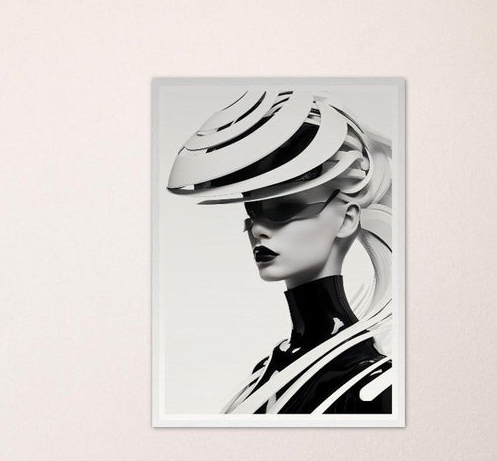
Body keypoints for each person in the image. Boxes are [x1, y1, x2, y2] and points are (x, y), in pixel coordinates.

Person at [166, 87, 395, 415]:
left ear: (346, 219)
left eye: (285, 209)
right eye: (253, 212)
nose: (258, 228)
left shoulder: (371, 384)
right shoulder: (266, 371)